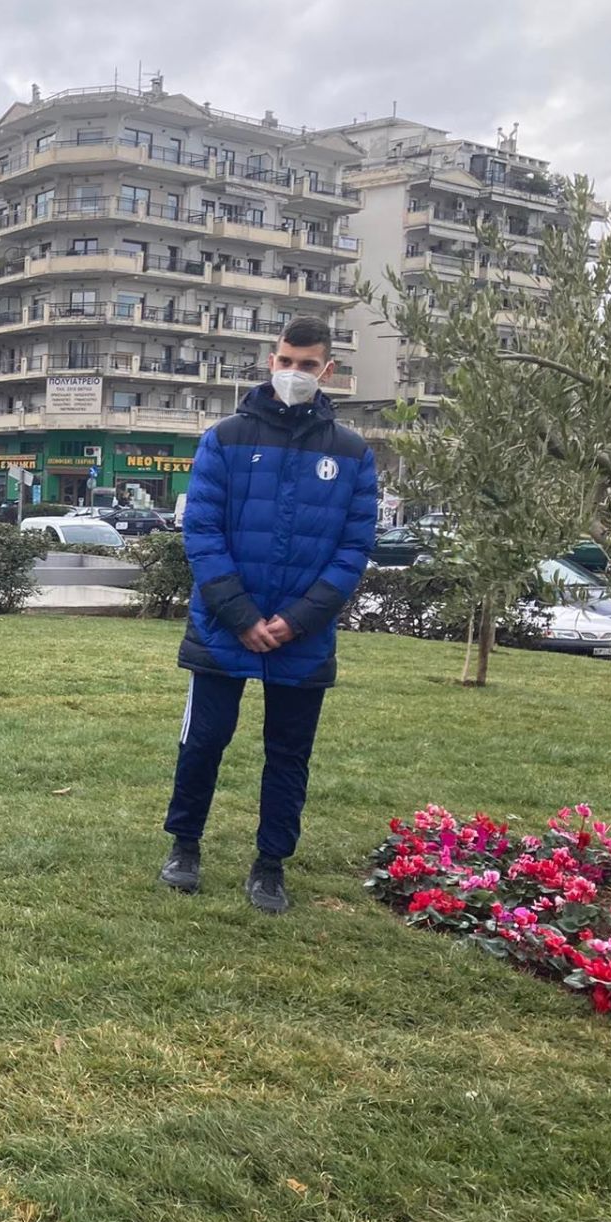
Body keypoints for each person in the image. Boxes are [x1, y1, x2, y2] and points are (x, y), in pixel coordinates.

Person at [159, 315, 377, 913]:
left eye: (307, 365)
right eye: (285, 361)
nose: (293, 373)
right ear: (270, 361)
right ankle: (184, 845)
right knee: (202, 741)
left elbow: (353, 549)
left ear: (327, 370)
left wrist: (298, 620)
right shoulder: (224, 438)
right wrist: (240, 615)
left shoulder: (352, 453)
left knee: (288, 754)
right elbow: (202, 532)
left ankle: (271, 864)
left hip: (302, 637)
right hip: (223, 627)